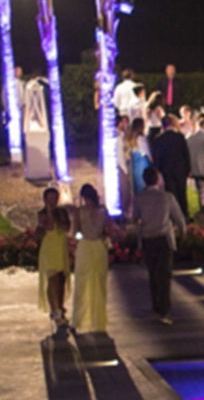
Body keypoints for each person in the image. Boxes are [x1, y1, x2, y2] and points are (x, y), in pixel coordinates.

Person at [132, 168, 186, 323]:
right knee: (164, 275)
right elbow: (179, 219)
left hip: (148, 239)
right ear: (157, 179)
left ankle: (156, 306)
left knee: (153, 274)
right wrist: (183, 234)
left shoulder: (139, 198)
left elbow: (135, 218)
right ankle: (164, 310)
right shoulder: (167, 197)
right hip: (164, 239)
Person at [71, 184, 120, 333]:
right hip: (98, 246)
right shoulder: (102, 210)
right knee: (99, 283)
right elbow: (109, 230)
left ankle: (79, 320)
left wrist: (80, 237)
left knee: (82, 283)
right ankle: (98, 319)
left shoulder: (79, 211)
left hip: (85, 246)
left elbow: (75, 232)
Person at [34, 187, 73, 328]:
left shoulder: (62, 212)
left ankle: (60, 306)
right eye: (50, 199)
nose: (53, 201)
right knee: (53, 279)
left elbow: (66, 228)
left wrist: (58, 216)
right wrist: (49, 212)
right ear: (45, 200)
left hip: (60, 248)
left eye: (55, 198)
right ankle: (55, 311)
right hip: (49, 249)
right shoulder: (42, 214)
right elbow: (49, 227)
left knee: (61, 279)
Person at [148, 116, 191, 213]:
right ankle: (184, 213)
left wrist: (158, 170)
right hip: (180, 168)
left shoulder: (159, 139)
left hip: (166, 169)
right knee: (182, 192)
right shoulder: (179, 137)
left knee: (171, 193)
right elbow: (185, 153)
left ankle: (173, 213)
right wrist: (188, 168)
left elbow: (157, 157)